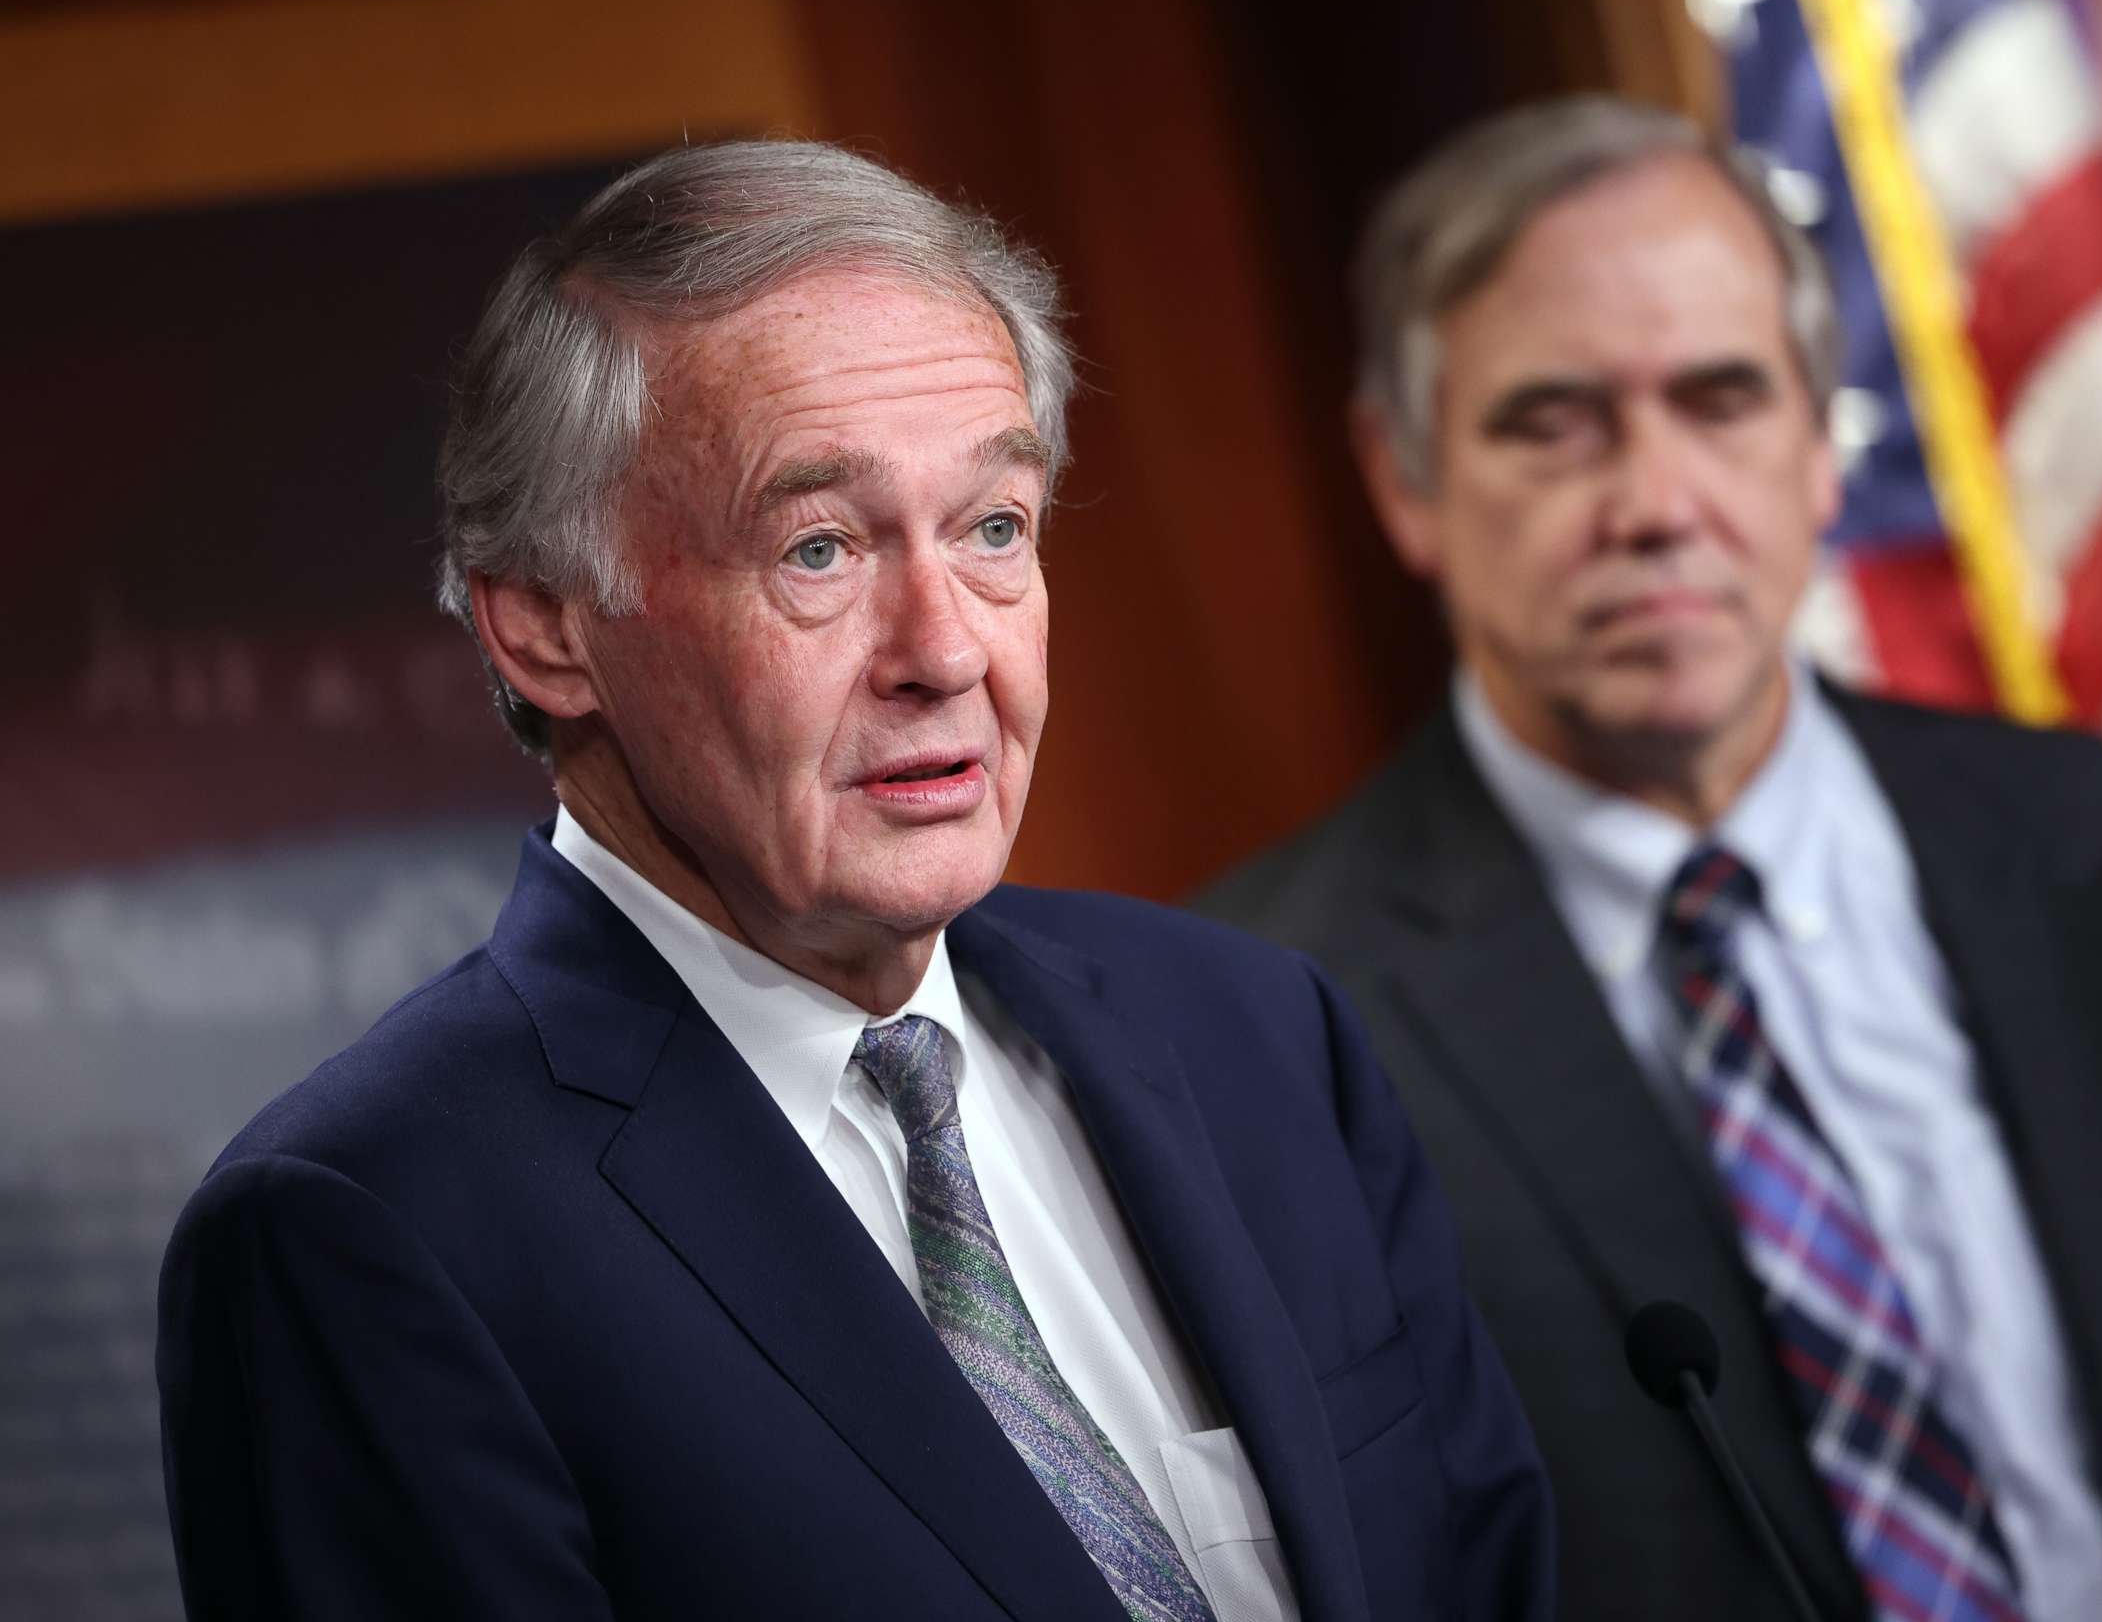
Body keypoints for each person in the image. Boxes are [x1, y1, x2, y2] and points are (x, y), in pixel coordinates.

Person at [155, 141, 1552, 1622]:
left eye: (993, 529)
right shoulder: (367, 1232)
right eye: (818, 550)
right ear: (546, 629)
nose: (946, 651)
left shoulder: (1259, 1037)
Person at [1202, 96, 2102, 1622]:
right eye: (1551, 425)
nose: (1655, 505)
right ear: (1404, 480)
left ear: (1824, 445)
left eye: (1725, 398)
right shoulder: (1260, 1045)